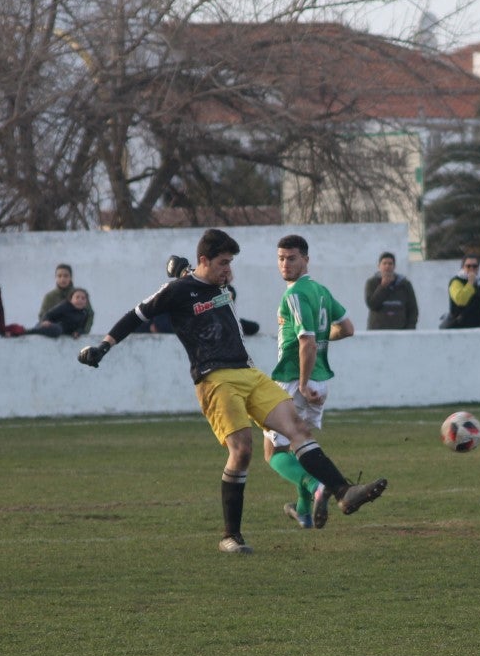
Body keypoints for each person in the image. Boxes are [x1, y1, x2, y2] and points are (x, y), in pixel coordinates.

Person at [77, 228, 387, 554]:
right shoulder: (176, 291)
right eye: (223, 263)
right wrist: (103, 346)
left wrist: (193, 271)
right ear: (204, 260)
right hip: (215, 378)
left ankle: (343, 492)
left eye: (230, 263)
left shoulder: (220, 284)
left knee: (297, 428)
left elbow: (205, 283)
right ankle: (231, 536)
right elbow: (136, 315)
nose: (229, 270)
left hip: (249, 372)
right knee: (242, 451)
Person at [266, 235, 354, 529]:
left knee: (273, 452)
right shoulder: (321, 291)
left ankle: (317, 486)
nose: (285, 264)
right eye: (281, 258)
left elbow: (307, 341)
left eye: (291, 258)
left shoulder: (294, 294)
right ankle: (303, 511)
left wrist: (302, 384)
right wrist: (322, 339)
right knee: (300, 447)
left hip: (294, 380)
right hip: (319, 380)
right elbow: (347, 328)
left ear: (306, 259)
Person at [364, 251, 418, 330]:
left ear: (394, 266)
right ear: (379, 266)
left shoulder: (405, 284)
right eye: (384, 263)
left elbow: (413, 309)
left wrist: (410, 329)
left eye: (390, 264)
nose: (387, 266)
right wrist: (383, 286)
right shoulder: (372, 282)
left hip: (400, 331)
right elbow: (372, 305)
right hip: (377, 331)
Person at [39, 264, 94, 336]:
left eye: (66, 276)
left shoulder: (80, 295)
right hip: (53, 333)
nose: (62, 279)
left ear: (71, 277)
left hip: (74, 336)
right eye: (59, 276)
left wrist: (83, 332)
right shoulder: (49, 297)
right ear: (55, 277)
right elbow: (43, 315)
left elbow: (89, 314)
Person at [444, 255, 480, 328]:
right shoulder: (456, 281)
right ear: (463, 267)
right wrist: (470, 283)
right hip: (461, 326)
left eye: (474, 266)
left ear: (478, 268)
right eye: (468, 266)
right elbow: (461, 300)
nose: (471, 269)